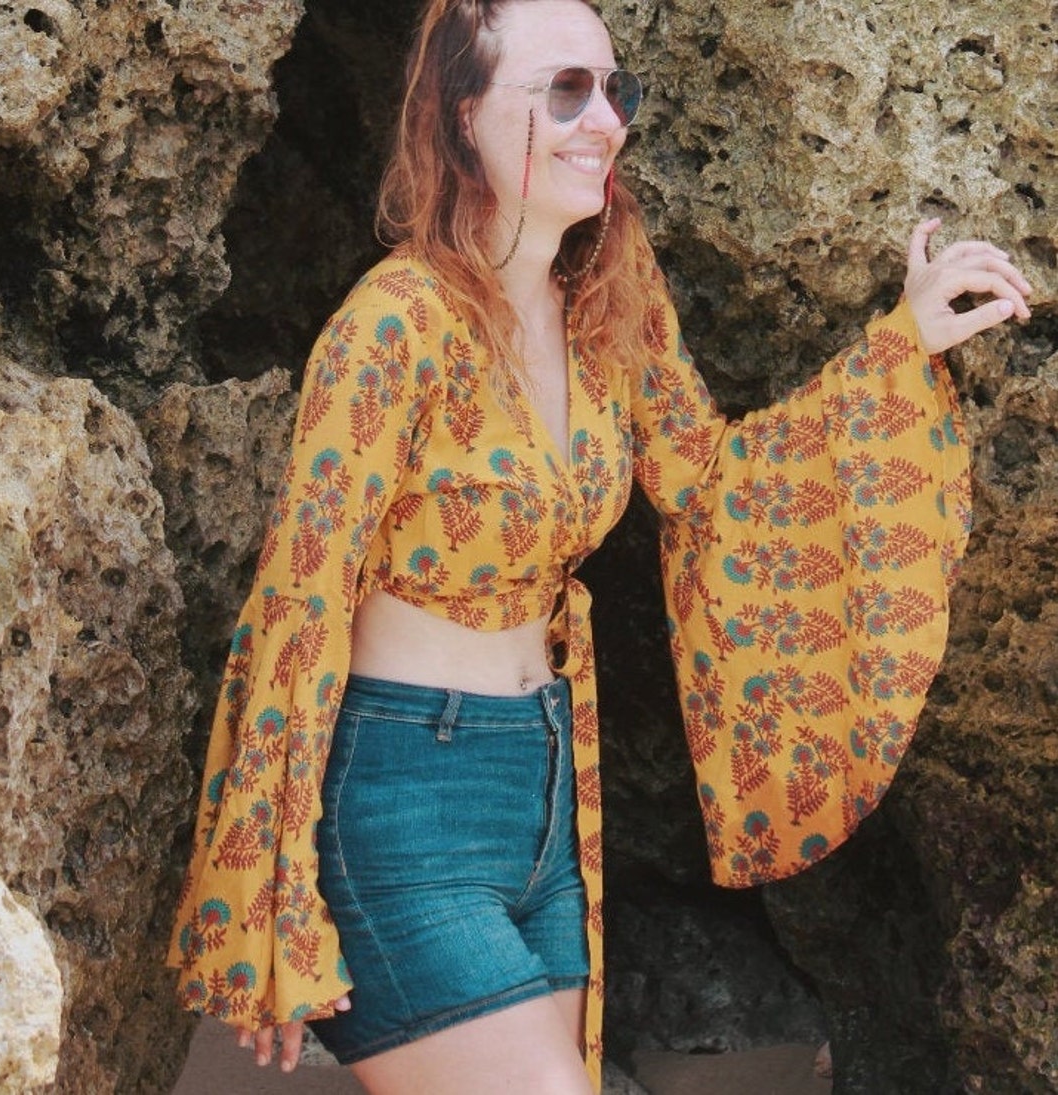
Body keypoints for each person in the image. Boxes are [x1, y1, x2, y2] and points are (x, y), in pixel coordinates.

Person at [166, 0, 1032, 1091]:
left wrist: (899, 347)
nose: (607, 120)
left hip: (548, 789)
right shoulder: (393, 326)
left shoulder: (609, 303)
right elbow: (300, 596)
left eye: (615, 89)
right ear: (462, 113)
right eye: (564, 90)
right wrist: (270, 895)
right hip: (400, 803)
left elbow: (710, 480)